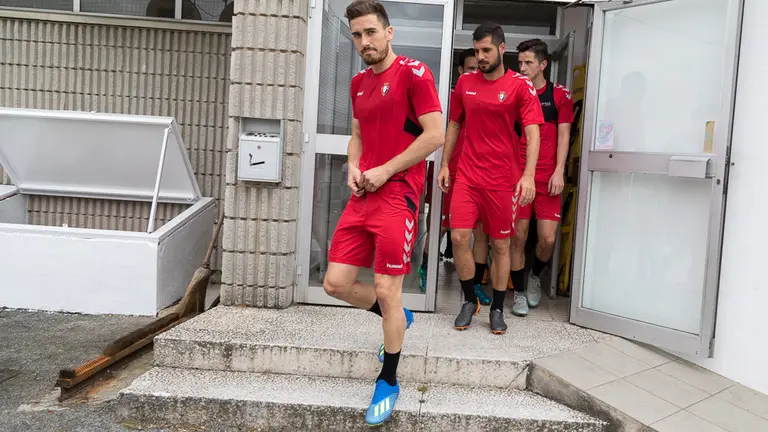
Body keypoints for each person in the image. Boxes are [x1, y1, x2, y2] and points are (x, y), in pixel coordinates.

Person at [322, 0, 444, 426]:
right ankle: (399, 318)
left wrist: (386, 169)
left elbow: (435, 135)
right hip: (364, 194)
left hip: (398, 193)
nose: (364, 41)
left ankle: (388, 380)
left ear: (389, 33)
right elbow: (356, 134)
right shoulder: (358, 82)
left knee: (386, 288)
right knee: (335, 283)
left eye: (371, 32)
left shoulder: (414, 73)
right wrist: (354, 167)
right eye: (357, 34)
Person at [438, 22, 543, 334]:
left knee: (500, 245)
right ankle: (470, 300)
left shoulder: (520, 86)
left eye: (486, 50)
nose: (481, 56)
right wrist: (445, 164)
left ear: (501, 48)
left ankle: (497, 308)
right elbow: (454, 125)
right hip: (467, 177)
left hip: (502, 181)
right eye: (476, 51)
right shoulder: (465, 83)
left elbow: (532, 132)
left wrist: (528, 175)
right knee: (459, 237)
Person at [417, 48, 494, 307]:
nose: (475, 72)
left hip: (479, 174)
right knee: (439, 224)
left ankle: (475, 283)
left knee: (480, 231)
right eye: (470, 68)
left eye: (478, 68)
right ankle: (426, 268)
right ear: (460, 71)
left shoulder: (490, 96)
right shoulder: (446, 98)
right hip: (448, 170)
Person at [509, 39, 574, 317]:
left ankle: (535, 276)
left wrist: (560, 170)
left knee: (547, 239)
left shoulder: (559, 95)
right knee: (518, 237)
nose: (522, 68)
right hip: (519, 178)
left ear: (543, 64)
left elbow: (564, 135)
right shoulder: (514, 92)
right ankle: (518, 292)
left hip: (548, 178)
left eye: (529, 63)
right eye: (520, 63)